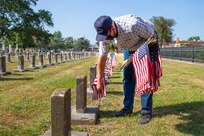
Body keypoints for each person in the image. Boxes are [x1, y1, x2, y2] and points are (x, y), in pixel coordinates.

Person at [94, 14, 160, 125]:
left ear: (113, 28)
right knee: (127, 77)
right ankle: (127, 108)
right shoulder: (105, 35)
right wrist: (100, 79)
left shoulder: (132, 24)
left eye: (107, 35)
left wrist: (137, 55)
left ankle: (146, 112)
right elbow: (102, 57)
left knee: (145, 78)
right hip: (129, 47)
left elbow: (152, 37)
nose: (105, 38)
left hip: (146, 42)